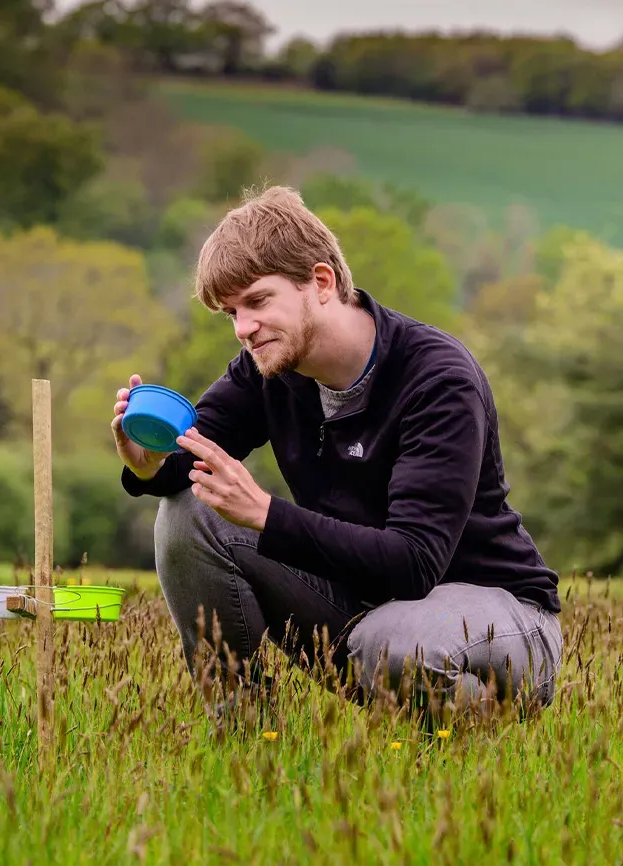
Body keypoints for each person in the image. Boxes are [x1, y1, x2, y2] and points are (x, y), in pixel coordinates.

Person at [111, 186, 562, 723]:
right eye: (230, 312)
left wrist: (266, 515)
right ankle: (246, 739)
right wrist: (151, 464)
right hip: (367, 607)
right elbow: (190, 458)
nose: (243, 328)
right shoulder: (268, 368)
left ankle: (479, 731)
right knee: (188, 513)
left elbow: (414, 563)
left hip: (496, 614)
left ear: (321, 282)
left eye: (257, 301)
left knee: (393, 644)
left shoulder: (437, 379)